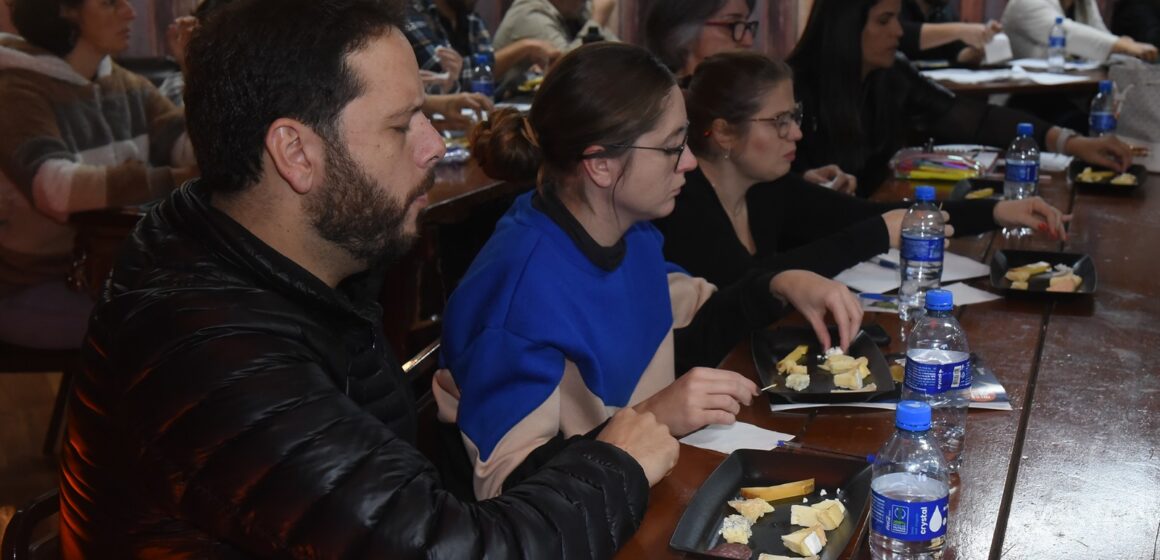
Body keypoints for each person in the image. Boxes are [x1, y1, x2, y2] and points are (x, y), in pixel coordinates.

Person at [59, 0, 679, 556]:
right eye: (401, 123)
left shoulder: (273, 255)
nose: (435, 145)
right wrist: (615, 460)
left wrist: (429, 403)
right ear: (296, 153)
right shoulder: (207, 357)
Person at [437, 42, 861, 500]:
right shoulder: (520, 293)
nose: (690, 162)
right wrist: (657, 414)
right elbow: (508, 491)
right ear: (600, 164)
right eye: (671, 147)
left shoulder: (626, 232)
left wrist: (779, 284)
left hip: (637, 486)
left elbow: (692, 322)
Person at [659, 51, 1069, 301]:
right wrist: (875, 233)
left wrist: (998, 212)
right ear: (726, 132)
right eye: (780, 121)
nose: (797, 133)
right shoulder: (683, 202)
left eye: (795, 116)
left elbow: (863, 215)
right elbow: (750, 286)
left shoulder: (766, 189)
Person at [0, 0, 196, 350]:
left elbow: (191, 150)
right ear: (65, 10)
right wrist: (173, 179)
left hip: (110, 276)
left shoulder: (125, 84)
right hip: (30, 287)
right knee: (178, 330)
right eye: (110, 3)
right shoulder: (15, 88)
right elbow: (55, 186)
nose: (129, 11)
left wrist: (196, 73)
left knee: (217, 311)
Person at [787, 0, 1135, 197]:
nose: (898, 31)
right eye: (885, 20)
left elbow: (977, 119)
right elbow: (765, 186)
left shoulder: (891, 75)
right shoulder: (792, 89)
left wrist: (1072, 143)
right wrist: (810, 186)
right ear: (846, 28)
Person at [644, 0, 858, 194]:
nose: (747, 39)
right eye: (732, 25)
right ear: (682, 30)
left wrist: (801, 184)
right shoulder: (658, 107)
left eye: (748, 25)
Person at [403, 0, 560, 94]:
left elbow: (483, 78)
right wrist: (525, 47)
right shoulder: (410, 12)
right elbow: (442, 76)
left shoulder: (470, 17)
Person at [1002, 0, 1158, 62]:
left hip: (1073, 94)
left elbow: (1101, 34)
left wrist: (1120, 46)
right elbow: (1067, 32)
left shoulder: (1084, 4)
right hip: (1025, 101)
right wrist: (1121, 45)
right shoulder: (1025, 3)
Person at [899, 0, 1003, 65]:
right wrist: (961, 30)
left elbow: (957, 53)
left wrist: (980, 47)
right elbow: (903, 35)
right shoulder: (894, 5)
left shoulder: (943, 9)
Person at [494, 0, 618, 54]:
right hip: (506, 100)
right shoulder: (530, 13)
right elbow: (565, 68)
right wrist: (597, 20)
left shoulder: (573, 10)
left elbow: (617, 52)